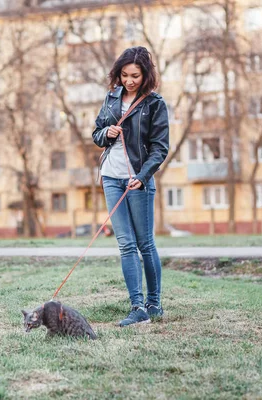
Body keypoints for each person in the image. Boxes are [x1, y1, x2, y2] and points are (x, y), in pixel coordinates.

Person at [92, 46, 169, 326]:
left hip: (138, 180)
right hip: (111, 177)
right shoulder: (112, 98)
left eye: (135, 75)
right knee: (125, 244)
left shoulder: (155, 104)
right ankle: (137, 307)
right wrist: (106, 133)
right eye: (124, 75)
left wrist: (144, 175)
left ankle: (154, 303)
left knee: (145, 244)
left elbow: (160, 148)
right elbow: (96, 133)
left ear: (145, 74)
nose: (129, 81)